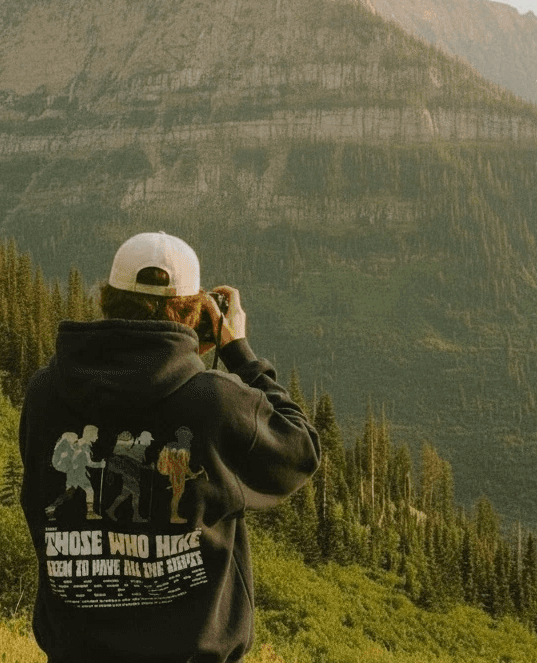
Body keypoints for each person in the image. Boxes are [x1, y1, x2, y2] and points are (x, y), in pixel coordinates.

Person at [20, 231, 320, 663]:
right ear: (195, 310)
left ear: (108, 298)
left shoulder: (45, 392)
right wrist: (238, 352)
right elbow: (301, 451)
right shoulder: (214, 401)